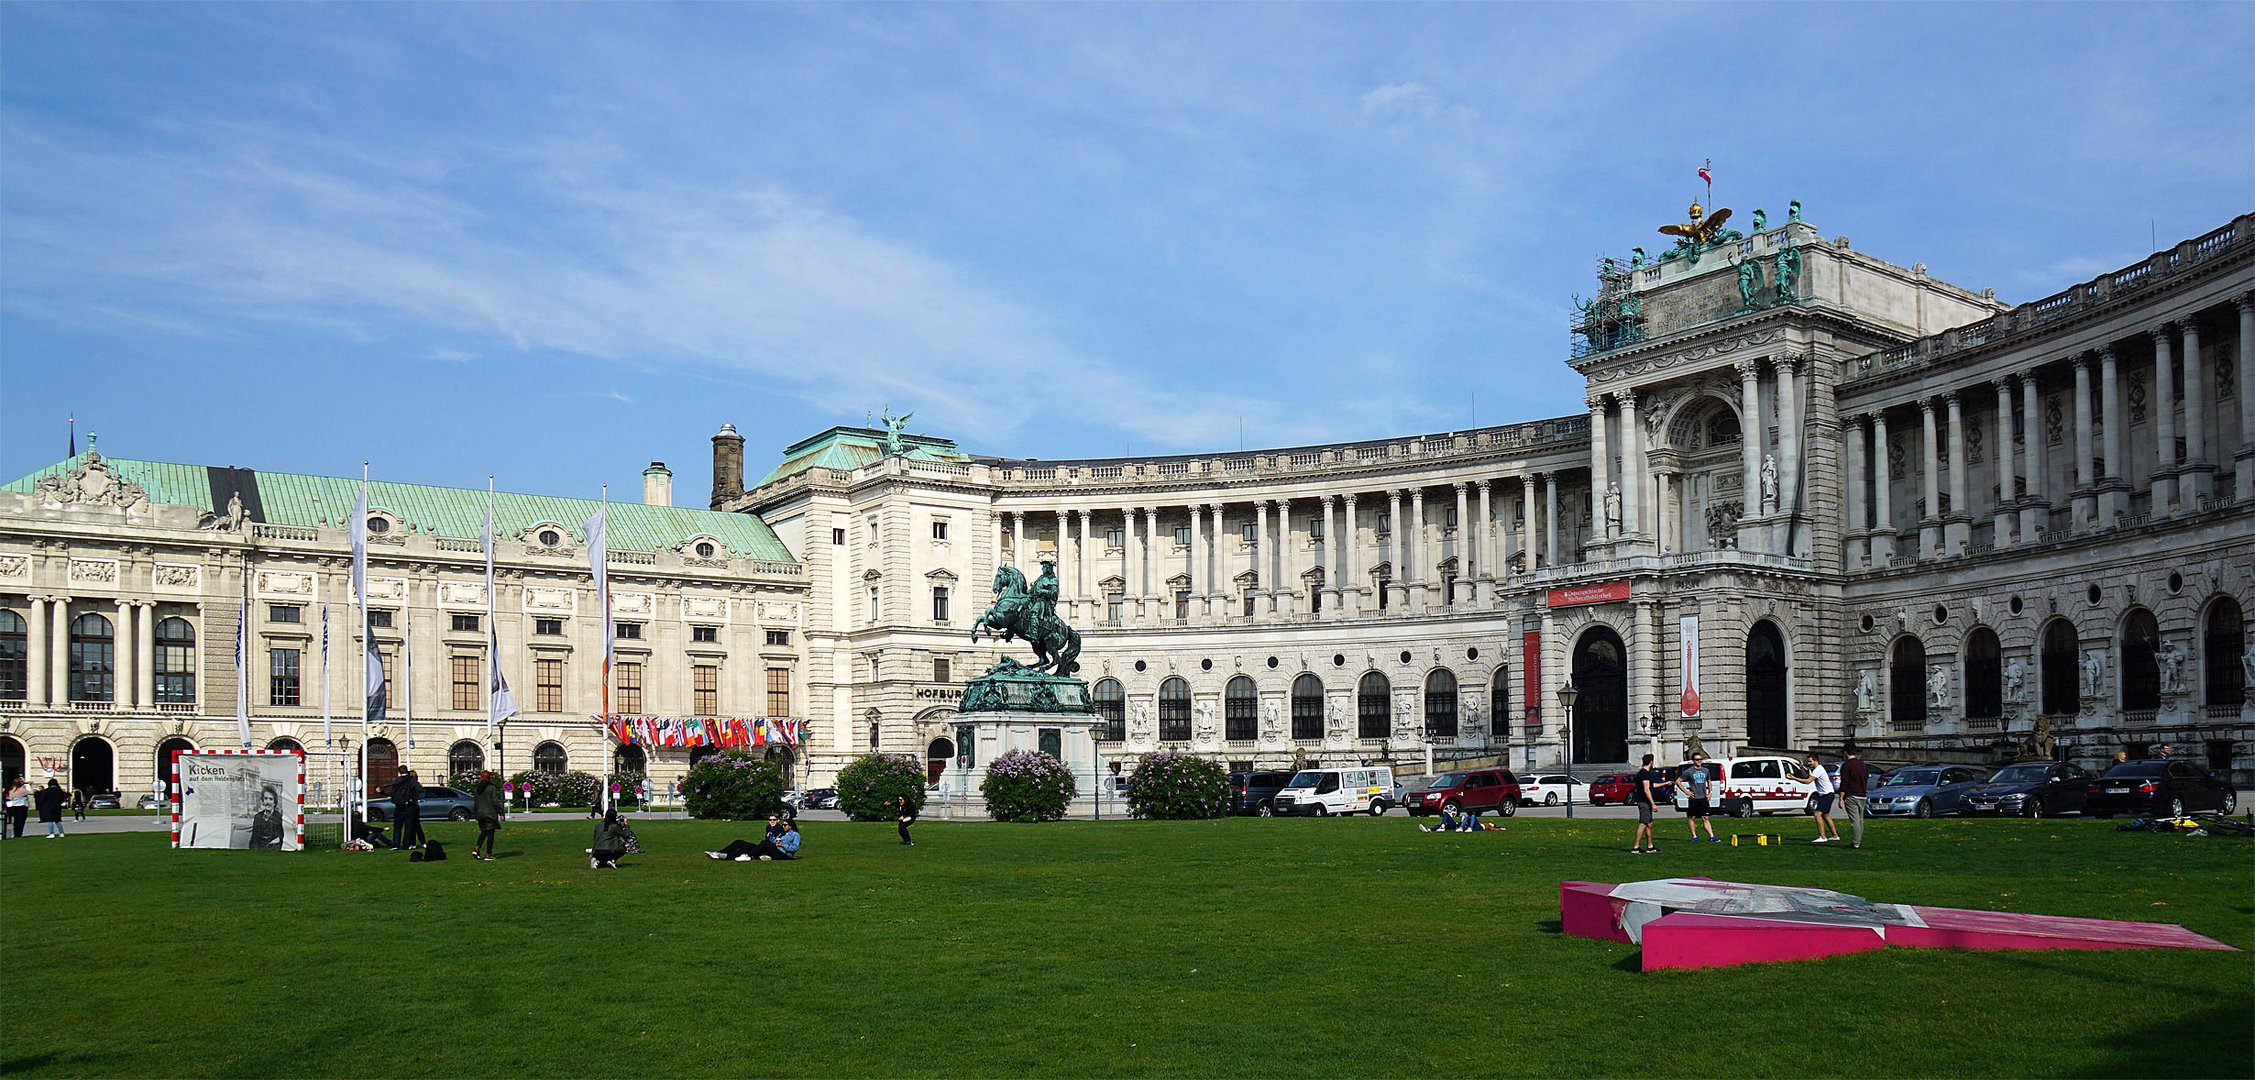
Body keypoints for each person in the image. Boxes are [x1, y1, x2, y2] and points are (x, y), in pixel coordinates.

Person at [1630, 754, 1672, 854]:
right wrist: (1653, 804)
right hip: (1644, 802)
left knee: (1649, 824)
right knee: (1643, 823)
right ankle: (1636, 847)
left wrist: (1665, 784)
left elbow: (1651, 785)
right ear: (1651, 762)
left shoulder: (1644, 773)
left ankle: (1650, 846)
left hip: (1645, 802)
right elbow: (1646, 789)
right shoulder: (1644, 773)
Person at [1838, 749, 1871, 849]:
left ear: (1845, 753)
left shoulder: (1846, 766)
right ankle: (1858, 840)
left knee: (1854, 820)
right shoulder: (1863, 765)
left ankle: (1855, 842)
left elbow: (1844, 782)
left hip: (1851, 795)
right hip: (1862, 794)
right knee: (1860, 820)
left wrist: (1841, 798)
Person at [1683, 754, 1719, 843]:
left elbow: (1709, 781)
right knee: (1692, 817)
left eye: (1700, 759)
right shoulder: (1688, 771)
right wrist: (1687, 792)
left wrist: (1710, 792)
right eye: (1697, 759)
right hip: (1694, 798)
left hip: (1703, 797)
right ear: (1693, 761)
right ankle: (1694, 836)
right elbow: (1678, 781)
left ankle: (1712, 836)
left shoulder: (1706, 770)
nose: (1699, 761)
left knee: (1705, 817)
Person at [1806, 755, 1840, 843]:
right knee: (1825, 815)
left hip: (1827, 794)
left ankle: (1822, 837)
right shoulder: (1815, 770)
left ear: (1815, 760)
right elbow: (1806, 776)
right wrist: (1801, 767)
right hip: (1826, 794)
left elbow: (1807, 781)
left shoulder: (1818, 769)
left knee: (1817, 814)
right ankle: (1835, 836)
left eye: (1810, 761)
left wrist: (1794, 778)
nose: (1809, 763)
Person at [389, 768, 424, 852]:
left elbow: (391, 792)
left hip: (399, 807)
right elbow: (419, 789)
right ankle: (406, 844)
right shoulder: (411, 780)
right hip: (410, 806)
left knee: (397, 827)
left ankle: (396, 844)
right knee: (408, 827)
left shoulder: (397, 781)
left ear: (399, 772)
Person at [471, 770, 504, 861]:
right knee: (490, 834)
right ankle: (488, 854)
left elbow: (476, 802)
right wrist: (500, 811)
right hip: (489, 814)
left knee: (484, 832)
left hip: (480, 813)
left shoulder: (476, 788)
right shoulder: (491, 788)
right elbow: (495, 801)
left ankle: (477, 849)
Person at [3, 775, 29, 839]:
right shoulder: (22, 790)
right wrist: (30, 785)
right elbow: (30, 792)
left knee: (16, 821)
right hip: (22, 806)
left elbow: (10, 798)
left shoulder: (12, 790)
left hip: (14, 806)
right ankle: (19, 834)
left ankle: (16, 834)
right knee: (21, 821)